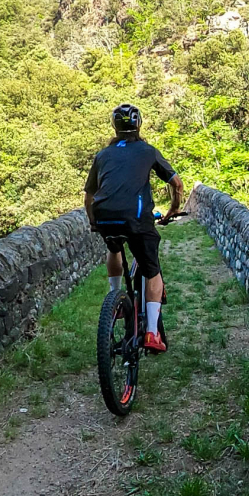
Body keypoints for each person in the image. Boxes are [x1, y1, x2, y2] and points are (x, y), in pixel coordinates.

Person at [84, 103, 184, 353]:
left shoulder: (103, 155)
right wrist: (173, 209)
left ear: (114, 127)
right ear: (138, 125)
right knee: (152, 270)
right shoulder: (147, 151)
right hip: (137, 219)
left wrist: (94, 222)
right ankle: (151, 332)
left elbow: (89, 196)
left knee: (114, 247)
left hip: (105, 215)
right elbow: (177, 184)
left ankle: (115, 298)